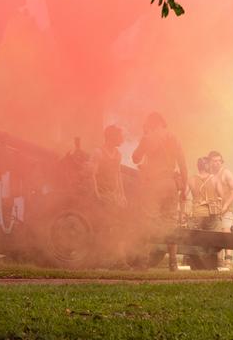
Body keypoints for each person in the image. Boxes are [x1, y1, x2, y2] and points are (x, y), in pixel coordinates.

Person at [132, 112, 187, 271]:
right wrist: (183, 188)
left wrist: (145, 136)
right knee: (170, 223)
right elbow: (182, 164)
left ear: (151, 124)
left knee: (148, 222)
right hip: (171, 184)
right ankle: (173, 263)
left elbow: (135, 157)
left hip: (154, 185)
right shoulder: (174, 138)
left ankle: (143, 262)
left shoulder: (148, 138)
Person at [208, 150, 233, 268]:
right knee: (215, 235)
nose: (216, 163)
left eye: (218, 161)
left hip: (226, 210)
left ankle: (228, 262)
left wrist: (226, 205)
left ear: (222, 162)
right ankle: (217, 261)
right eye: (214, 161)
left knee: (226, 234)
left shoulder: (226, 173)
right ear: (209, 162)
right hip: (212, 210)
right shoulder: (209, 175)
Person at [93, 124, 126, 207]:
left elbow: (118, 175)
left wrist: (122, 195)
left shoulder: (118, 154)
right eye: (119, 137)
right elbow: (92, 175)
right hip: (101, 194)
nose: (121, 139)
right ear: (112, 137)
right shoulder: (98, 152)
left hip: (113, 195)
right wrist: (96, 195)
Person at [187, 157, 223, 233]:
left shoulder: (191, 179)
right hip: (212, 214)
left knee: (195, 241)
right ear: (207, 166)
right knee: (214, 240)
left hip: (196, 213)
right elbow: (222, 196)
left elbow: (183, 196)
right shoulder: (215, 179)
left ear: (198, 166)